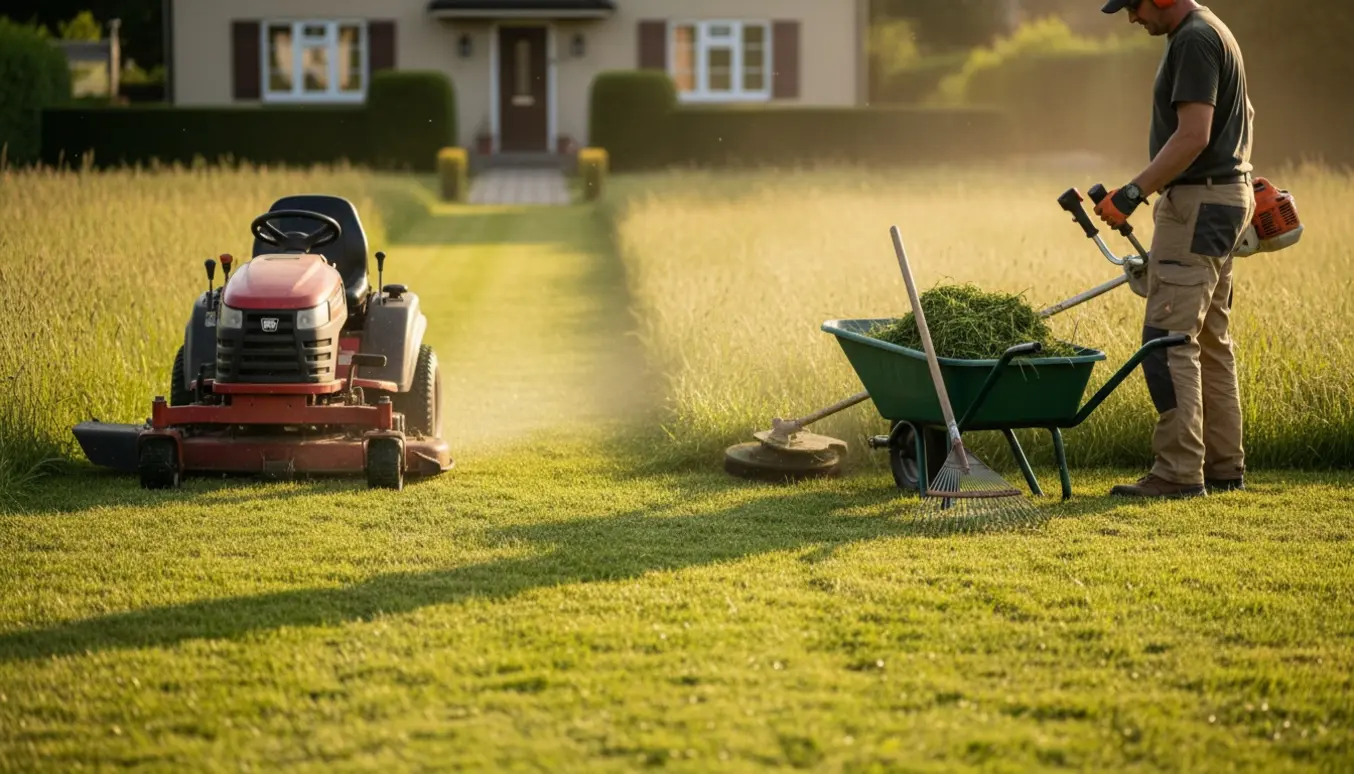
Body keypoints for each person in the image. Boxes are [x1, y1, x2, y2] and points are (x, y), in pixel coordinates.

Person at [1093, 0, 1256, 499]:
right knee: (1210, 341)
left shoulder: (1192, 39)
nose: (1132, 18)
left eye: (1135, 6)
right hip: (1225, 197)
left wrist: (1131, 193)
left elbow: (1193, 136)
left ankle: (1179, 472)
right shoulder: (1214, 31)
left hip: (1197, 202)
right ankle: (1224, 466)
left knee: (1167, 340)